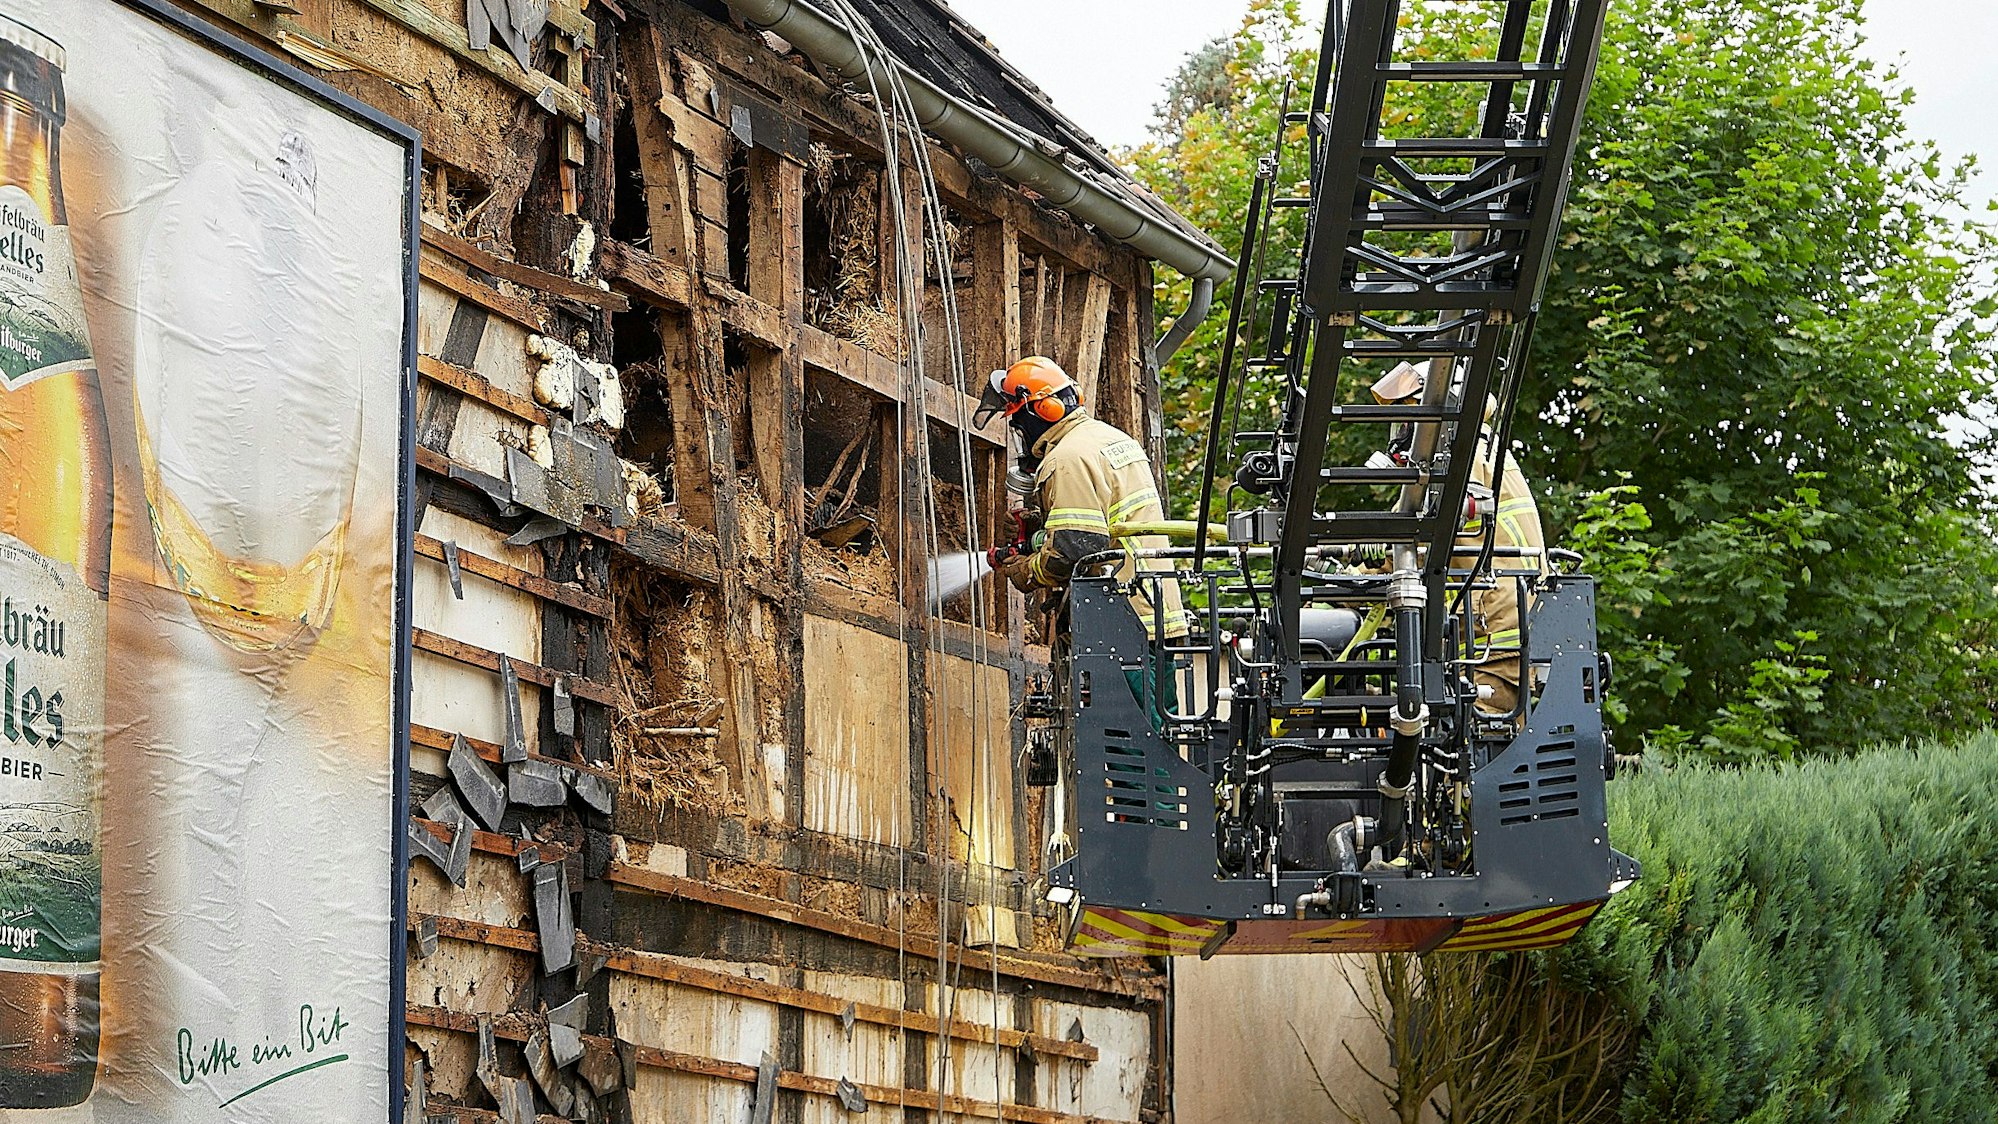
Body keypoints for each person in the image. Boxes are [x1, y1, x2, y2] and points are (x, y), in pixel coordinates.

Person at [974, 356, 1186, 719]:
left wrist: (1027, 569)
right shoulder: (1107, 439)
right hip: (1151, 613)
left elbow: (1074, 549)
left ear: (1042, 410)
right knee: (1157, 741)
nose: (1020, 432)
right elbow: (1103, 525)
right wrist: (1041, 526)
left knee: (1132, 754)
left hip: (1121, 624)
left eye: (1018, 420)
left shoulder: (1067, 458)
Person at [1370, 362, 1549, 718]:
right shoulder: (1487, 456)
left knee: (1454, 748)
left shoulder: (1453, 466)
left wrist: (1339, 587)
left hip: (1491, 646)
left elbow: (1403, 539)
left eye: (1410, 418)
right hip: (1506, 640)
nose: (1403, 431)